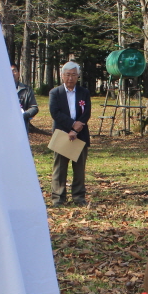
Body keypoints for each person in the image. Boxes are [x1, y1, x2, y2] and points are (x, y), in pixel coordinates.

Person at [49, 61, 91, 206]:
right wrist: (71, 125)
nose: (70, 78)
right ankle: (58, 197)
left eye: (73, 75)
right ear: (62, 76)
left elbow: (86, 113)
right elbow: (55, 113)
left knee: (79, 169)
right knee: (60, 168)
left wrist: (76, 129)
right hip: (62, 134)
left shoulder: (84, 92)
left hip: (80, 134)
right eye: (67, 75)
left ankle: (79, 197)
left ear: (78, 76)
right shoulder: (55, 93)